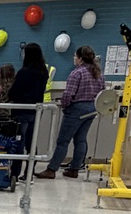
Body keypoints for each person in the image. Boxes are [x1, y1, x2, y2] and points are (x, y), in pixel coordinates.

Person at [36, 45, 105, 178]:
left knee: (63, 140)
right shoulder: (98, 74)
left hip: (77, 109)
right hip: (92, 109)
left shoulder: (77, 73)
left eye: (75, 56)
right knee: (80, 140)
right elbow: (102, 92)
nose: (74, 58)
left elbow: (68, 94)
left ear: (80, 58)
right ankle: (75, 168)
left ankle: (52, 169)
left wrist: (65, 106)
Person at [7, 43, 49, 181]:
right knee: (31, 142)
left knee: (19, 141)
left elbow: (13, 92)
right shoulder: (43, 72)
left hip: (21, 110)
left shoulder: (23, 72)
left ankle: (14, 174)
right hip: (36, 110)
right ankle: (29, 173)